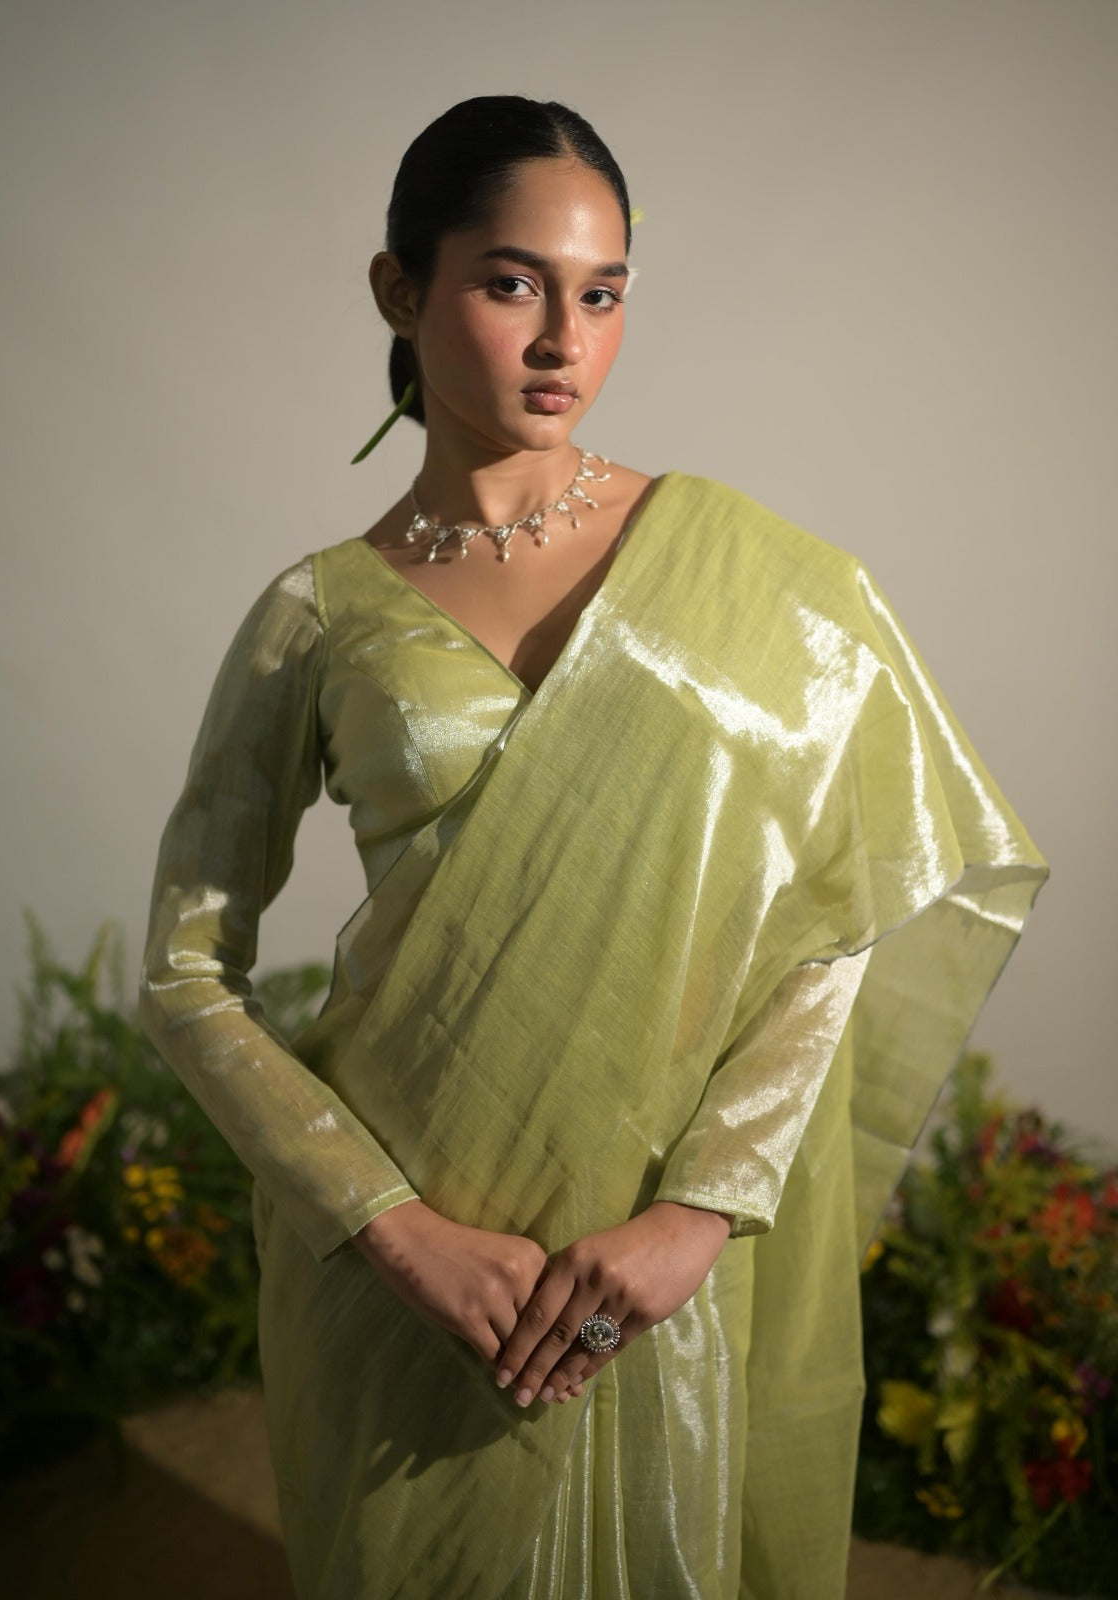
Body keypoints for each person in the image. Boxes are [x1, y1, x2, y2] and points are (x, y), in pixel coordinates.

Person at [138, 96, 1048, 1599]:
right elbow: (186, 973)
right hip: (406, 1287)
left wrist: (701, 1214)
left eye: (605, 292)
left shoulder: (747, 575)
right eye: (513, 284)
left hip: (649, 1272)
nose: (566, 339)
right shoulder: (316, 616)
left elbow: (838, 911)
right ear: (399, 289)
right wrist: (388, 1228)